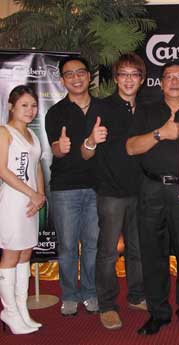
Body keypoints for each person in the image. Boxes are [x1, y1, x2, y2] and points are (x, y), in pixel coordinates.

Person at [126, 60, 179, 336]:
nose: (174, 81)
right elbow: (131, 148)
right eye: (168, 77)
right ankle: (158, 313)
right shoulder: (146, 112)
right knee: (152, 253)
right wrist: (161, 133)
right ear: (160, 84)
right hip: (151, 189)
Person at [81, 53, 147, 330]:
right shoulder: (101, 108)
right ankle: (107, 305)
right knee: (107, 252)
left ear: (141, 80)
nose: (129, 79)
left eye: (134, 74)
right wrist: (91, 141)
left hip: (142, 190)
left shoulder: (148, 109)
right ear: (116, 78)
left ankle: (137, 295)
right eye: (123, 74)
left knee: (138, 250)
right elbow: (84, 154)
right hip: (110, 192)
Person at [45, 56, 101, 316]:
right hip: (65, 188)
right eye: (69, 74)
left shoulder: (104, 108)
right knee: (67, 247)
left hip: (99, 187)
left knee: (92, 245)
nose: (76, 78)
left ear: (89, 76)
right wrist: (60, 147)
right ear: (62, 80)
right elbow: (55, 148)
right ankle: (69, 294)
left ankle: (89, 292)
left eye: (81, 72)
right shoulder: (56, 112)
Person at [0, 85, 44, 334]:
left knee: (26, 252)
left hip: (31, 201)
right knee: (11, 254)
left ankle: (21, 308)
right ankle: (9, 311)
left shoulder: (32, 135)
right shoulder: (4, 132)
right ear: (11, 107)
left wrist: (41, 196)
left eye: (33, 105)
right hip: (13, 201)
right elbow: (3, 170)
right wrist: (31, 194)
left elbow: (37, 166)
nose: (30, 110)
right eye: (24, 105)